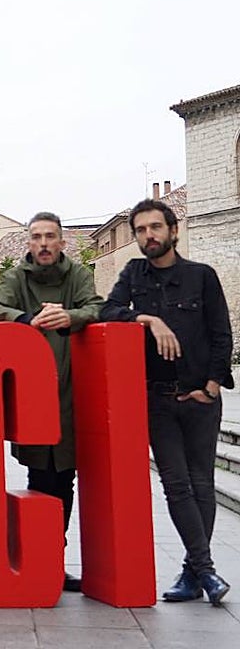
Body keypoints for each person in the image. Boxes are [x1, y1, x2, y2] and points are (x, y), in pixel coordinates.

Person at [100, 198, 233, 605]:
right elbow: (109, 310)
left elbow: (221, 334)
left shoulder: (202, 276)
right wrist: (148, 319)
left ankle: (195, 572)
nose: (149, 236)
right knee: (176, 485)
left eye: (155, 227)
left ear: (173, 231)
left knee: (202, 484)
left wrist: (211, 387)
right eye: (141, 230)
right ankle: (205, 572)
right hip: (158, 399)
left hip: (200, 399)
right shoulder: (133, 274)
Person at [0, 211, 103, 592]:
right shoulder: (16, 277)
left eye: (50, 236)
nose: (44, 244)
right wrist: (29, 319)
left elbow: (97, 308)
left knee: (65, 478)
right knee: (39, 477)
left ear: (62, 242)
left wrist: (69, 317)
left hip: (70, 394)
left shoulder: (78, 274)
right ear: (29, 243)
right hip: (32, 398)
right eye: (37, 237)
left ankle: (54, 556)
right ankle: (42, 558)